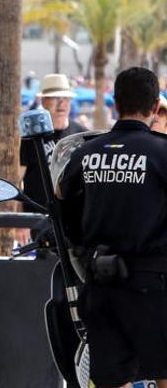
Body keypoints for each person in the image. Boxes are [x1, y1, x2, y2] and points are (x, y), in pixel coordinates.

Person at [57, 67, 167, 388]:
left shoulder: (86, 152)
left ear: (116, 103)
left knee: (110, 377)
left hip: (101, 284)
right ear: (153, 106)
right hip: (152, 285)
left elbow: (61, 197)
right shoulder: (162, 152)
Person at [20, 73, 86, 212]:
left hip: (72, 215)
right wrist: (22, 221)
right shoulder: (31, 138)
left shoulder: (82, 134)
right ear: (43, 102)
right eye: (55, 97)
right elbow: (19, 179)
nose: (61, 103)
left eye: (66, 98)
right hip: (38, 214)